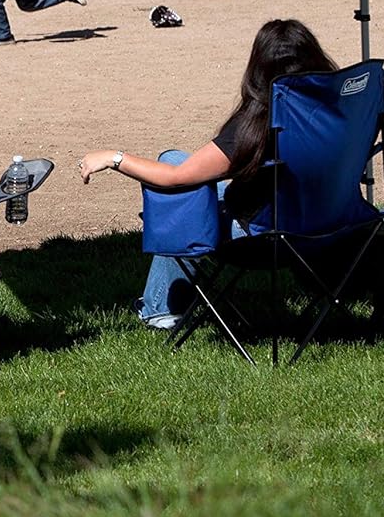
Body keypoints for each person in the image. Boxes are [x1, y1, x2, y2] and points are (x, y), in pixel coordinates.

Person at [77, 18, 336, 329]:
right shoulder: (340, 109)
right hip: (331, 220)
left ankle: (160, 309)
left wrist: (114, 157)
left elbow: (177, 177)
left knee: (179, 191)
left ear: (258, 67)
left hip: (267, 236)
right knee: (172, 159)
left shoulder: (257, 123)